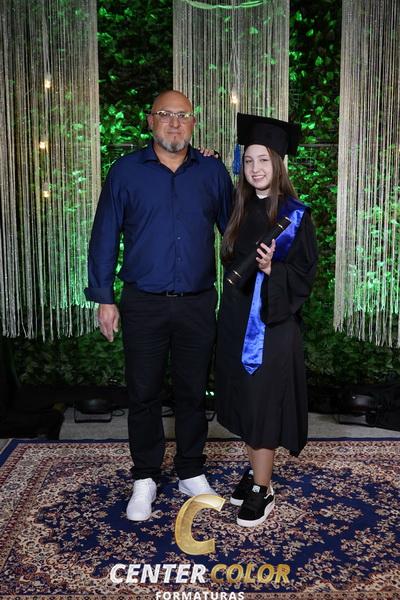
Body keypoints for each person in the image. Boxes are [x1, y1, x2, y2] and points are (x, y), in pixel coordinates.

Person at [85, 90, 233, 521]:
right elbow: (104, 235)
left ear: (193, 123)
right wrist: (104, 298)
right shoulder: (125, 171)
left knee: (193, 391)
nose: (174, 123)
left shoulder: (212, 170)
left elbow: (234, 231)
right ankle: (145, 477)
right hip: (142, 303)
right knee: (143, 392)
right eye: (165, 115)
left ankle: (190, 471)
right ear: (150, 121)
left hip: (197, 302)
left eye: (182, 115)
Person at [215, 113, 318, 528]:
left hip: (271, 326)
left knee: (261, 403)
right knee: (243, 398)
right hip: (237, 319)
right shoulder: (238, 207)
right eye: (248, 160)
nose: (255, 168)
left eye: (264, 160)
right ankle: (256, 472)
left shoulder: (295, 215)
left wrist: (275, 270)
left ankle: (263, 489)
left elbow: (307, 273)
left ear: (278, 163)